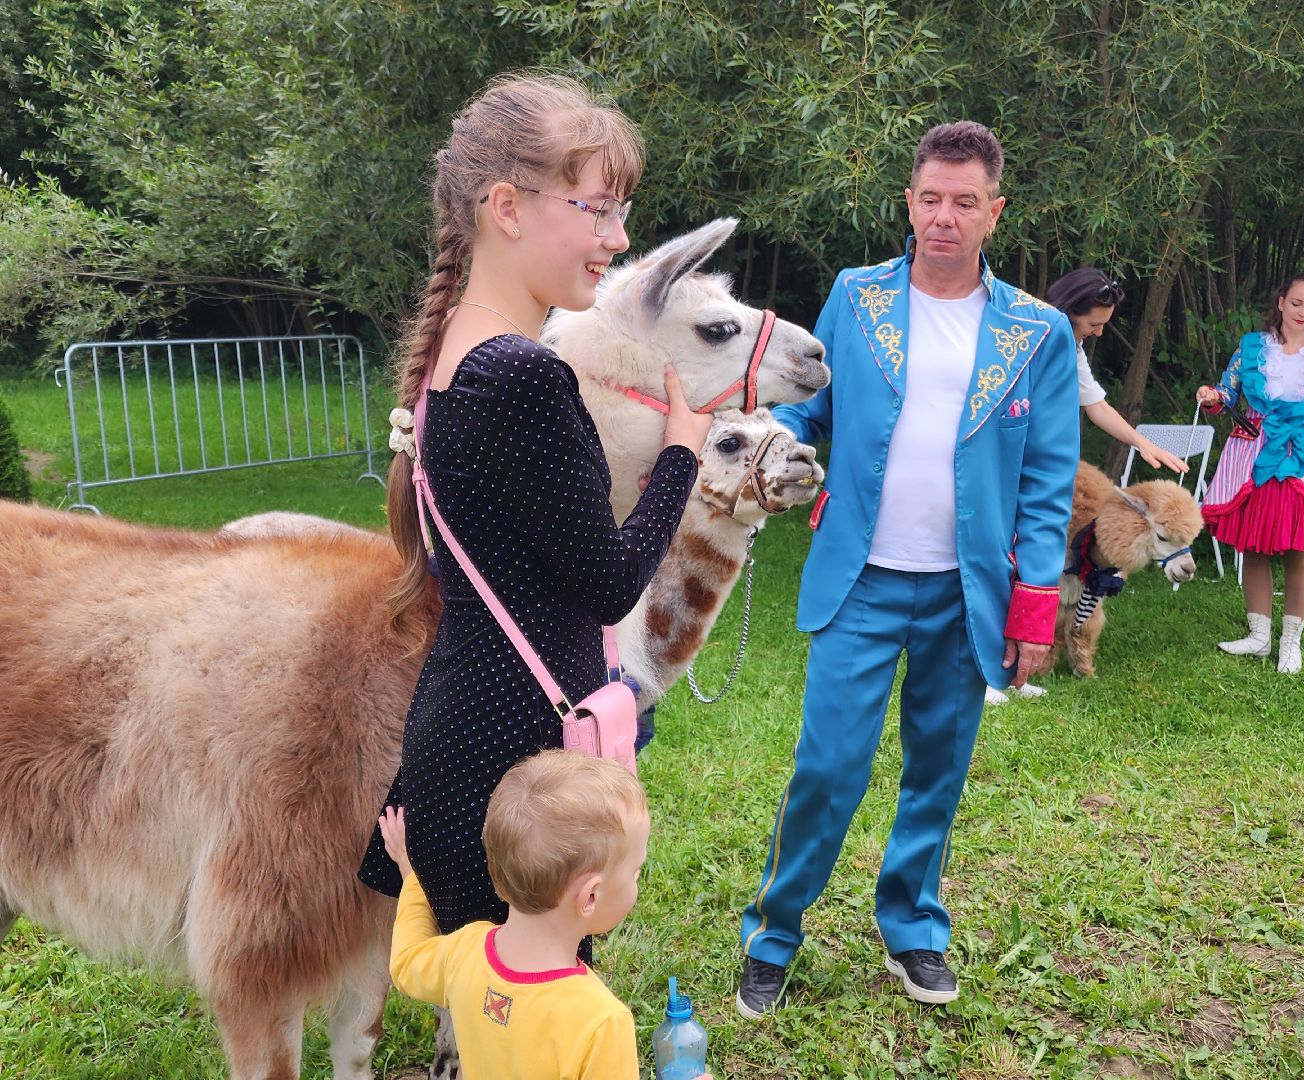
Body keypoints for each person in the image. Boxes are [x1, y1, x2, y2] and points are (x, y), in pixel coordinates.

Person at [735, 121, 1079, 1017]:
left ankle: (914, 927)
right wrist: (770, 448)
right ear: (910, 202)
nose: (945, 218)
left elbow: (1047, 479)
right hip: (862, 578)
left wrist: (1034, 605)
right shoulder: (857, 299)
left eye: (965, 202)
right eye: (931, 198)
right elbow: (812, 407)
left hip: (968, 590)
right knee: (828, 763)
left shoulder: (1036, 334)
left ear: (994, 213)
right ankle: (773, 932)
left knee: (940, 767)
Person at [358, 73, 711, 941]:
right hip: (516, 770)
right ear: (508, 208)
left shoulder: (458, 356)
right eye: (597, 209)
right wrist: (681, 456)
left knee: (495, 1013)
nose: (618, 238)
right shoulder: (520, 374)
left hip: (470, 739)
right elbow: (610, 584)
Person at [380, 752, 714, 1079]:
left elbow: (407, 962)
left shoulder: (464, 952)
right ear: (590, 896)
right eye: (636, 872)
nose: (638, 880)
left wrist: (412, 878)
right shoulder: (600, 1022)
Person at [1196, 271, 1304, 673]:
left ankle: (1290, 643)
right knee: (1253, 548)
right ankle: (1258, 637)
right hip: (1255, 458)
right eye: (1297, 302)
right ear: (1281, 302)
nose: (1303, 312)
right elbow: (1227, 394)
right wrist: (1213, 398)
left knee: (1299, 552)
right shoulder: (1251, 349)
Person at [1045, 268, 1189, 474]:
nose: (1099, 332)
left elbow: (1098, 407)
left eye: (1103, 325)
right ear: (1066, 312)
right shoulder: (1025, 338)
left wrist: (1143, 443)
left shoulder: (1073, 352)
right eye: (1094, 324)